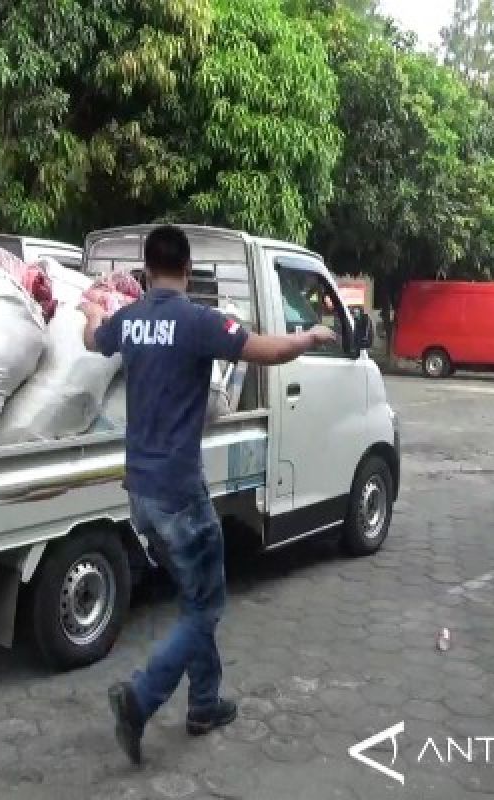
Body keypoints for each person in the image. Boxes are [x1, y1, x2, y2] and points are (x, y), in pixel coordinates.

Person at [79, 225, 337, 765]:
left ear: (147, 270)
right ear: (188, 268)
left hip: (140, 496)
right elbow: (263, 350)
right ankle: (140, 697)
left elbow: (91, 339)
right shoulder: (196, 321)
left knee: (197, 599)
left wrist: (91, 311)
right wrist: (309, 337)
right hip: (179, 491)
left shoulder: (130, 321)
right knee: (208, 605)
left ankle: (203, 704)